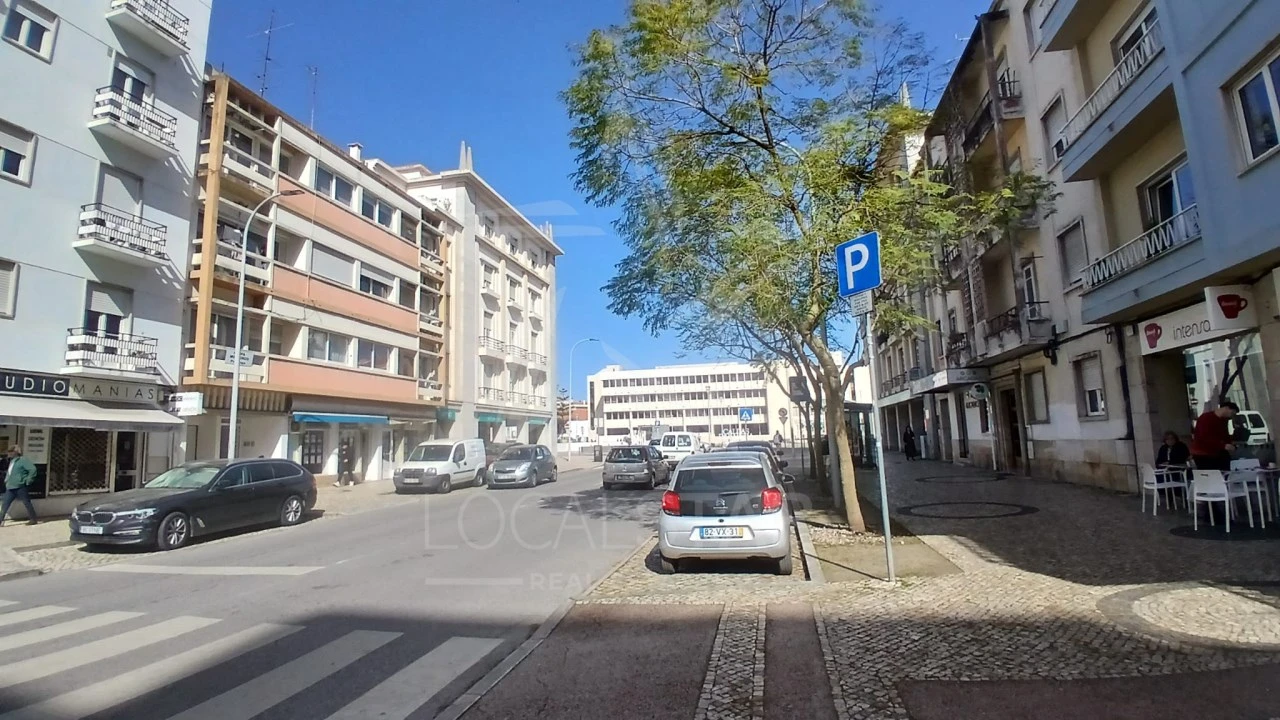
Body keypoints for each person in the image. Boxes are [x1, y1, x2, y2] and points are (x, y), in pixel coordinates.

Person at [1190, 402, 1239, 471]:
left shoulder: (1224, 420)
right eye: (1232, 413)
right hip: (1204, 453)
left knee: (1225, 470)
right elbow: (1204, 437)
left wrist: (1229, 443)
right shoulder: (1206, 418)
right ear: (1226, 408)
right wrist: (1223, 445)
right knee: (1212, 474)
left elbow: (1225, 435)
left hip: (1218, 452)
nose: (1231, 416)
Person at [0, 446, 38, 527]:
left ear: (16, 452)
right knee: (5, 504)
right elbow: (10, 472)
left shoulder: (22, 460)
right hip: (10, 486)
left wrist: (28, 480)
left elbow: (32, 469)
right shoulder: (12, 461)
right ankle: (1, 520)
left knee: (26, 503)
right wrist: (7, 480)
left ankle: (33, 518)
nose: (9, 453)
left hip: (20, 486)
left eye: (11, 451)